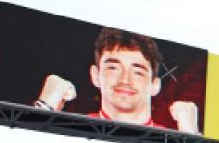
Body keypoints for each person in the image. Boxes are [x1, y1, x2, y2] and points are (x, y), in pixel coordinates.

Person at [35, 28, 199, 133]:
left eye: (138, 72)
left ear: (155, 86)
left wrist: (191, 136)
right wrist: (44, 108)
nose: (125, 79)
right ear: (95, 75)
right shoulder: (71, 129)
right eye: (113, 68)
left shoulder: (170, 141)